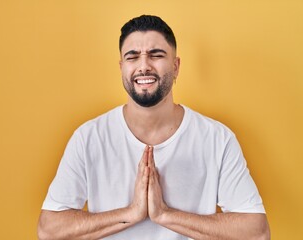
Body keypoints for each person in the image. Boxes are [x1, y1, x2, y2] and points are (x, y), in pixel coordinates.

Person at [38, 15, 270, 240]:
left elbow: (257, 233)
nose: (144, 66)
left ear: (176, 66)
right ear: (121, 68)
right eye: (132, 56)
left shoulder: (217, 138)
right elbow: (49, 231)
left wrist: (165, 215)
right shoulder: (88, 138)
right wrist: (131, 214)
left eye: (156, 55)